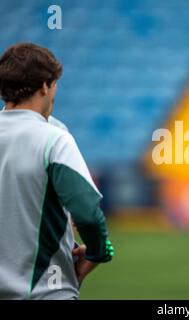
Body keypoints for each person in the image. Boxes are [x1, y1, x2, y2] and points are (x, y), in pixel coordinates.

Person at [0, 43, 114, 299]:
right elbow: (87, 213)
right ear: (44, 86)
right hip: (44, 291)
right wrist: (98, 251)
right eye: (54, 85)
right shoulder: (54, 138)